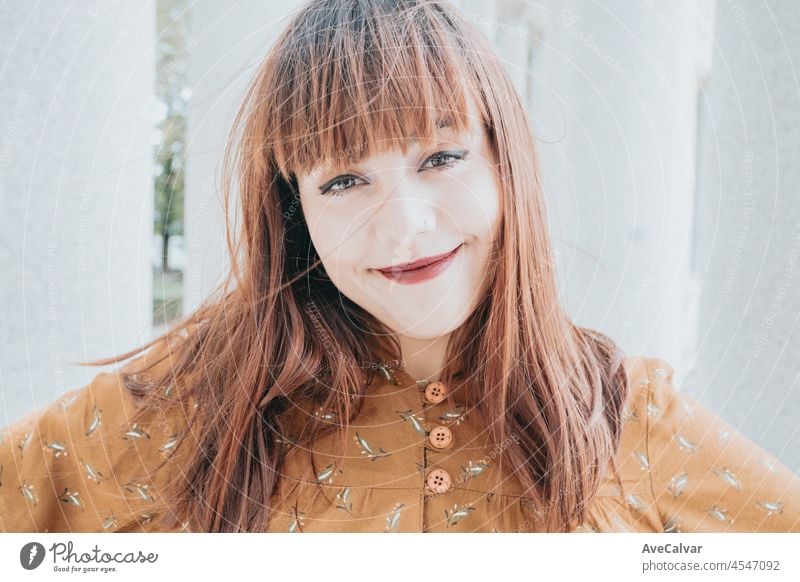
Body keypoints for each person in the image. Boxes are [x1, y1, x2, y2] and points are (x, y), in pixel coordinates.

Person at [1, 0, 798, 534]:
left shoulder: (625, 413)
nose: (406, 225)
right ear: (295, 211)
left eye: (442, 156)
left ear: (503, 165)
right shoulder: (197, 397)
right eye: (345, 180)